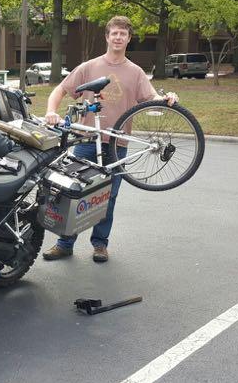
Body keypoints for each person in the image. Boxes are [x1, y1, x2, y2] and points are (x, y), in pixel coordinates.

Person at [42, 15, 178, 263]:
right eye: (114, 33)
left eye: (122, 34)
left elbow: (150, 98)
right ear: (107, 37)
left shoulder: (135, 72)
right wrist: (51, 111)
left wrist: (167, 97)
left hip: (118, 143)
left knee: (108, 196)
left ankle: (100, 245)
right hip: (86, 140)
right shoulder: (89, 67)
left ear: (128, 38)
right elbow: (60, 90)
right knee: (75, 191)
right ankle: (64, 244)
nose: (118, 37)